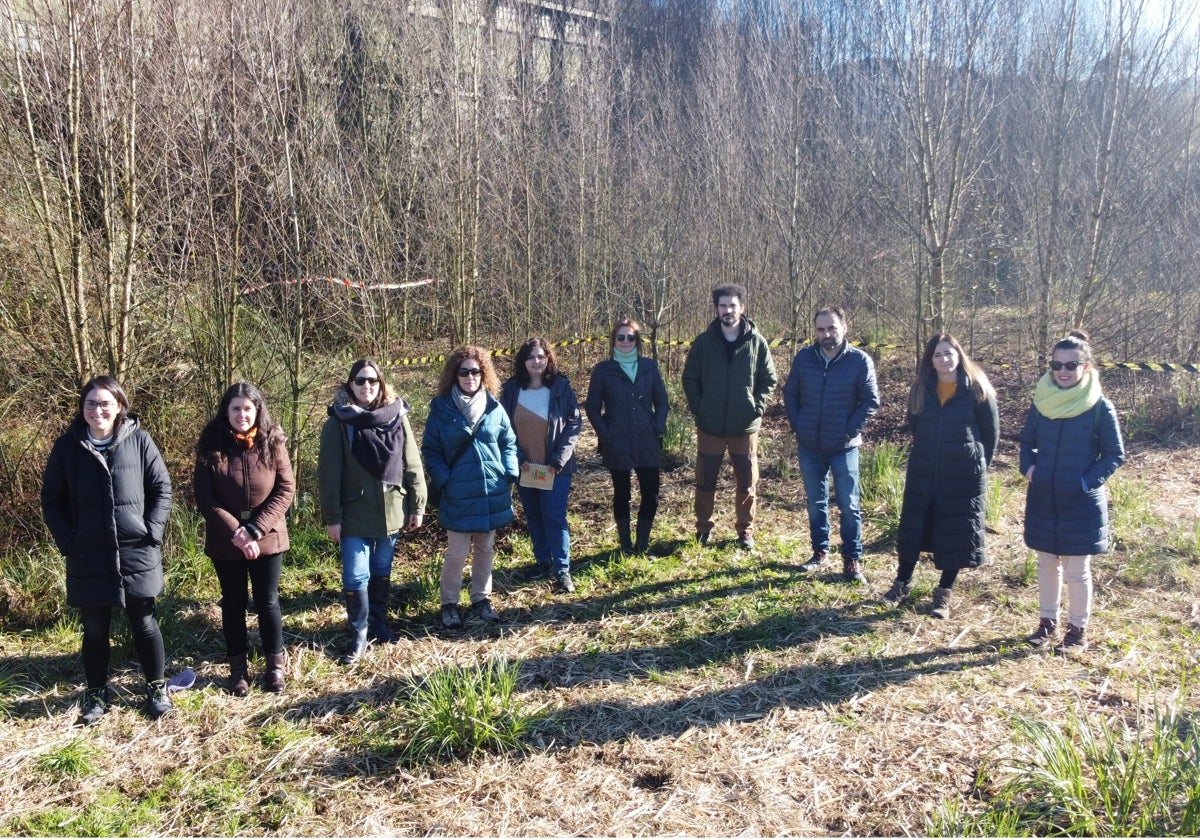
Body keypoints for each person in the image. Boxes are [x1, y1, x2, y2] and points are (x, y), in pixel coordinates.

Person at [41, 376, 174, 725]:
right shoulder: (66, 448)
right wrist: (68, 541)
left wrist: (152, 531)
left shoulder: (140, 441)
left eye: (105, 404)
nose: (97, 410)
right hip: (88, 553)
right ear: (82, 408)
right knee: (95, 628)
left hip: (136, 550)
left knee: (144, 622)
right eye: (90, 403)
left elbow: (162, 488)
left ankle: (157, 688)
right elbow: (51, 501)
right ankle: (96, 693)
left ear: (118, 408)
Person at [1019, 330, 1125, 654]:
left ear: (1086, 367)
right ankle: (1046, 623)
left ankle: (1077, 630)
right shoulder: (1042, 402)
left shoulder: (1098, 407)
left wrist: (1085, 482)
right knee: (1046, 564)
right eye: (1057, 364)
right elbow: (1025, 443)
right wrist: (1030, 469)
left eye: (1071, 364)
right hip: (1044, 497)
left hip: (1080, 501)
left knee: (1077, 571)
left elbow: (1114, 454)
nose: (1063, 370)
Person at [882, 334, 999, 619]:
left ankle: (943, 594)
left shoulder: (978, 389)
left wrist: (978, 468)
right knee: (913, 528)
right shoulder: (922, 389)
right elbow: (915, 425)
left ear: (959, 355)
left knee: (955, 533)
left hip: (963, 476)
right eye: (937, 355)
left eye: (948, 353)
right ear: (930, 361)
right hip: (924, 471)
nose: (944, 359)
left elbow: (991, 435)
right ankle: (901, 584)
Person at [318, 359, 426, 665]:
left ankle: (379, 624)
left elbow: (412, 463)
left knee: (382, 569)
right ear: (350, 385)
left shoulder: (397, 417)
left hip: (392, 510)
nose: (367, 386)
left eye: (373, 381)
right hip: (354, 513)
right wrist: (332, 517)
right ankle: (359, 633)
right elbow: (329, 474)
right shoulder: (338, 423)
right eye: (360, 380)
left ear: (381, 384)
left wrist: (417, 504)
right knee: (355, 575)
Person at [194, 382, 296, 695]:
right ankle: (238, 670)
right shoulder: (211, 444)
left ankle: (274, 667)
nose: (242, 415)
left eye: (248, 409)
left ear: (257, 410)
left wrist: (255, 529)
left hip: (268, 536)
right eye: (235, 408)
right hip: (226, 541)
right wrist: (236, 531)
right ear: (226, 411)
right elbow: (204, 497)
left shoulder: (273, 441)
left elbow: (285, 489)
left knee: (267, 601)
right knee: (234, 603)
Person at [422, 347, 519, 627]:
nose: (469, 377)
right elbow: (431, 450)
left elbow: (508, 442)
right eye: (463, 371)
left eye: (475, 371)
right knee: (456, 552)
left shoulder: (494, 407)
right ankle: (449, 603)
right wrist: (444, 478)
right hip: (458, 493)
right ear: (454, 374)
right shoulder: (441, 409)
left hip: (490, 490)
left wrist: (509, 470)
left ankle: (481, 598)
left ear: (483, 374)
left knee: (486, 547)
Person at [783, 306, 880, 583]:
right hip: (810, 445)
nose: (826, 334)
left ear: (844, 327)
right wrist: (798, 424)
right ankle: (819, 553)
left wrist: (849, 431)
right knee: (816, 503)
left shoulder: (859, 361)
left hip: (844, 446)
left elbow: (870, 401)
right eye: (821, 329)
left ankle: (851, 561)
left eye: (832, 328)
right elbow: (791, 393)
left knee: (849, 506)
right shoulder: (804, 358)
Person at [681, 284, 778, 550]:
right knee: (705, 480)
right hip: (709, 426)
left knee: (747, 482)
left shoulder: (757, 343)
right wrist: (700, 407)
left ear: (742, 308)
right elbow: (690, 378)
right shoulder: (703, 342)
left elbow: (769, 379)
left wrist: (755, 407)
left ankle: (745, 530)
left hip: (744, 427)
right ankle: (703, 527)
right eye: (723, 306)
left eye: (732, 305)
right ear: (716, 309)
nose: (728, 310)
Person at [501, 338, 583, 593]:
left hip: (554, 469)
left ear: (549, 359)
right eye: (531, 357)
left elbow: (574, 424)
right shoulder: (512, 389)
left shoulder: (560, 387)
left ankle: (562, 570)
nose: (537, 361)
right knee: (534, 516)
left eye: (541, 356)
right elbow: (504, 430)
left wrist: (558, 461)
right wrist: (519, 460)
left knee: (554, 517)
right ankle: (542, 561)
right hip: (527, 468)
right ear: (522, 361)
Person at [585, 319, 670, 555]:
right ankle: (626, 546)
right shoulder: (603, 370)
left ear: (637, 341)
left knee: (651, 494)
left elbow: (662, 401)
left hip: (646, 439)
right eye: (620, 337)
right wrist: (605, 433)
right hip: (617, 440)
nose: (625, 342)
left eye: (630, 337)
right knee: (622, 493)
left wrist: (658, 425)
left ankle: (642, 545)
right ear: (613, 340)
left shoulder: (649, 367)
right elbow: (592, 406)